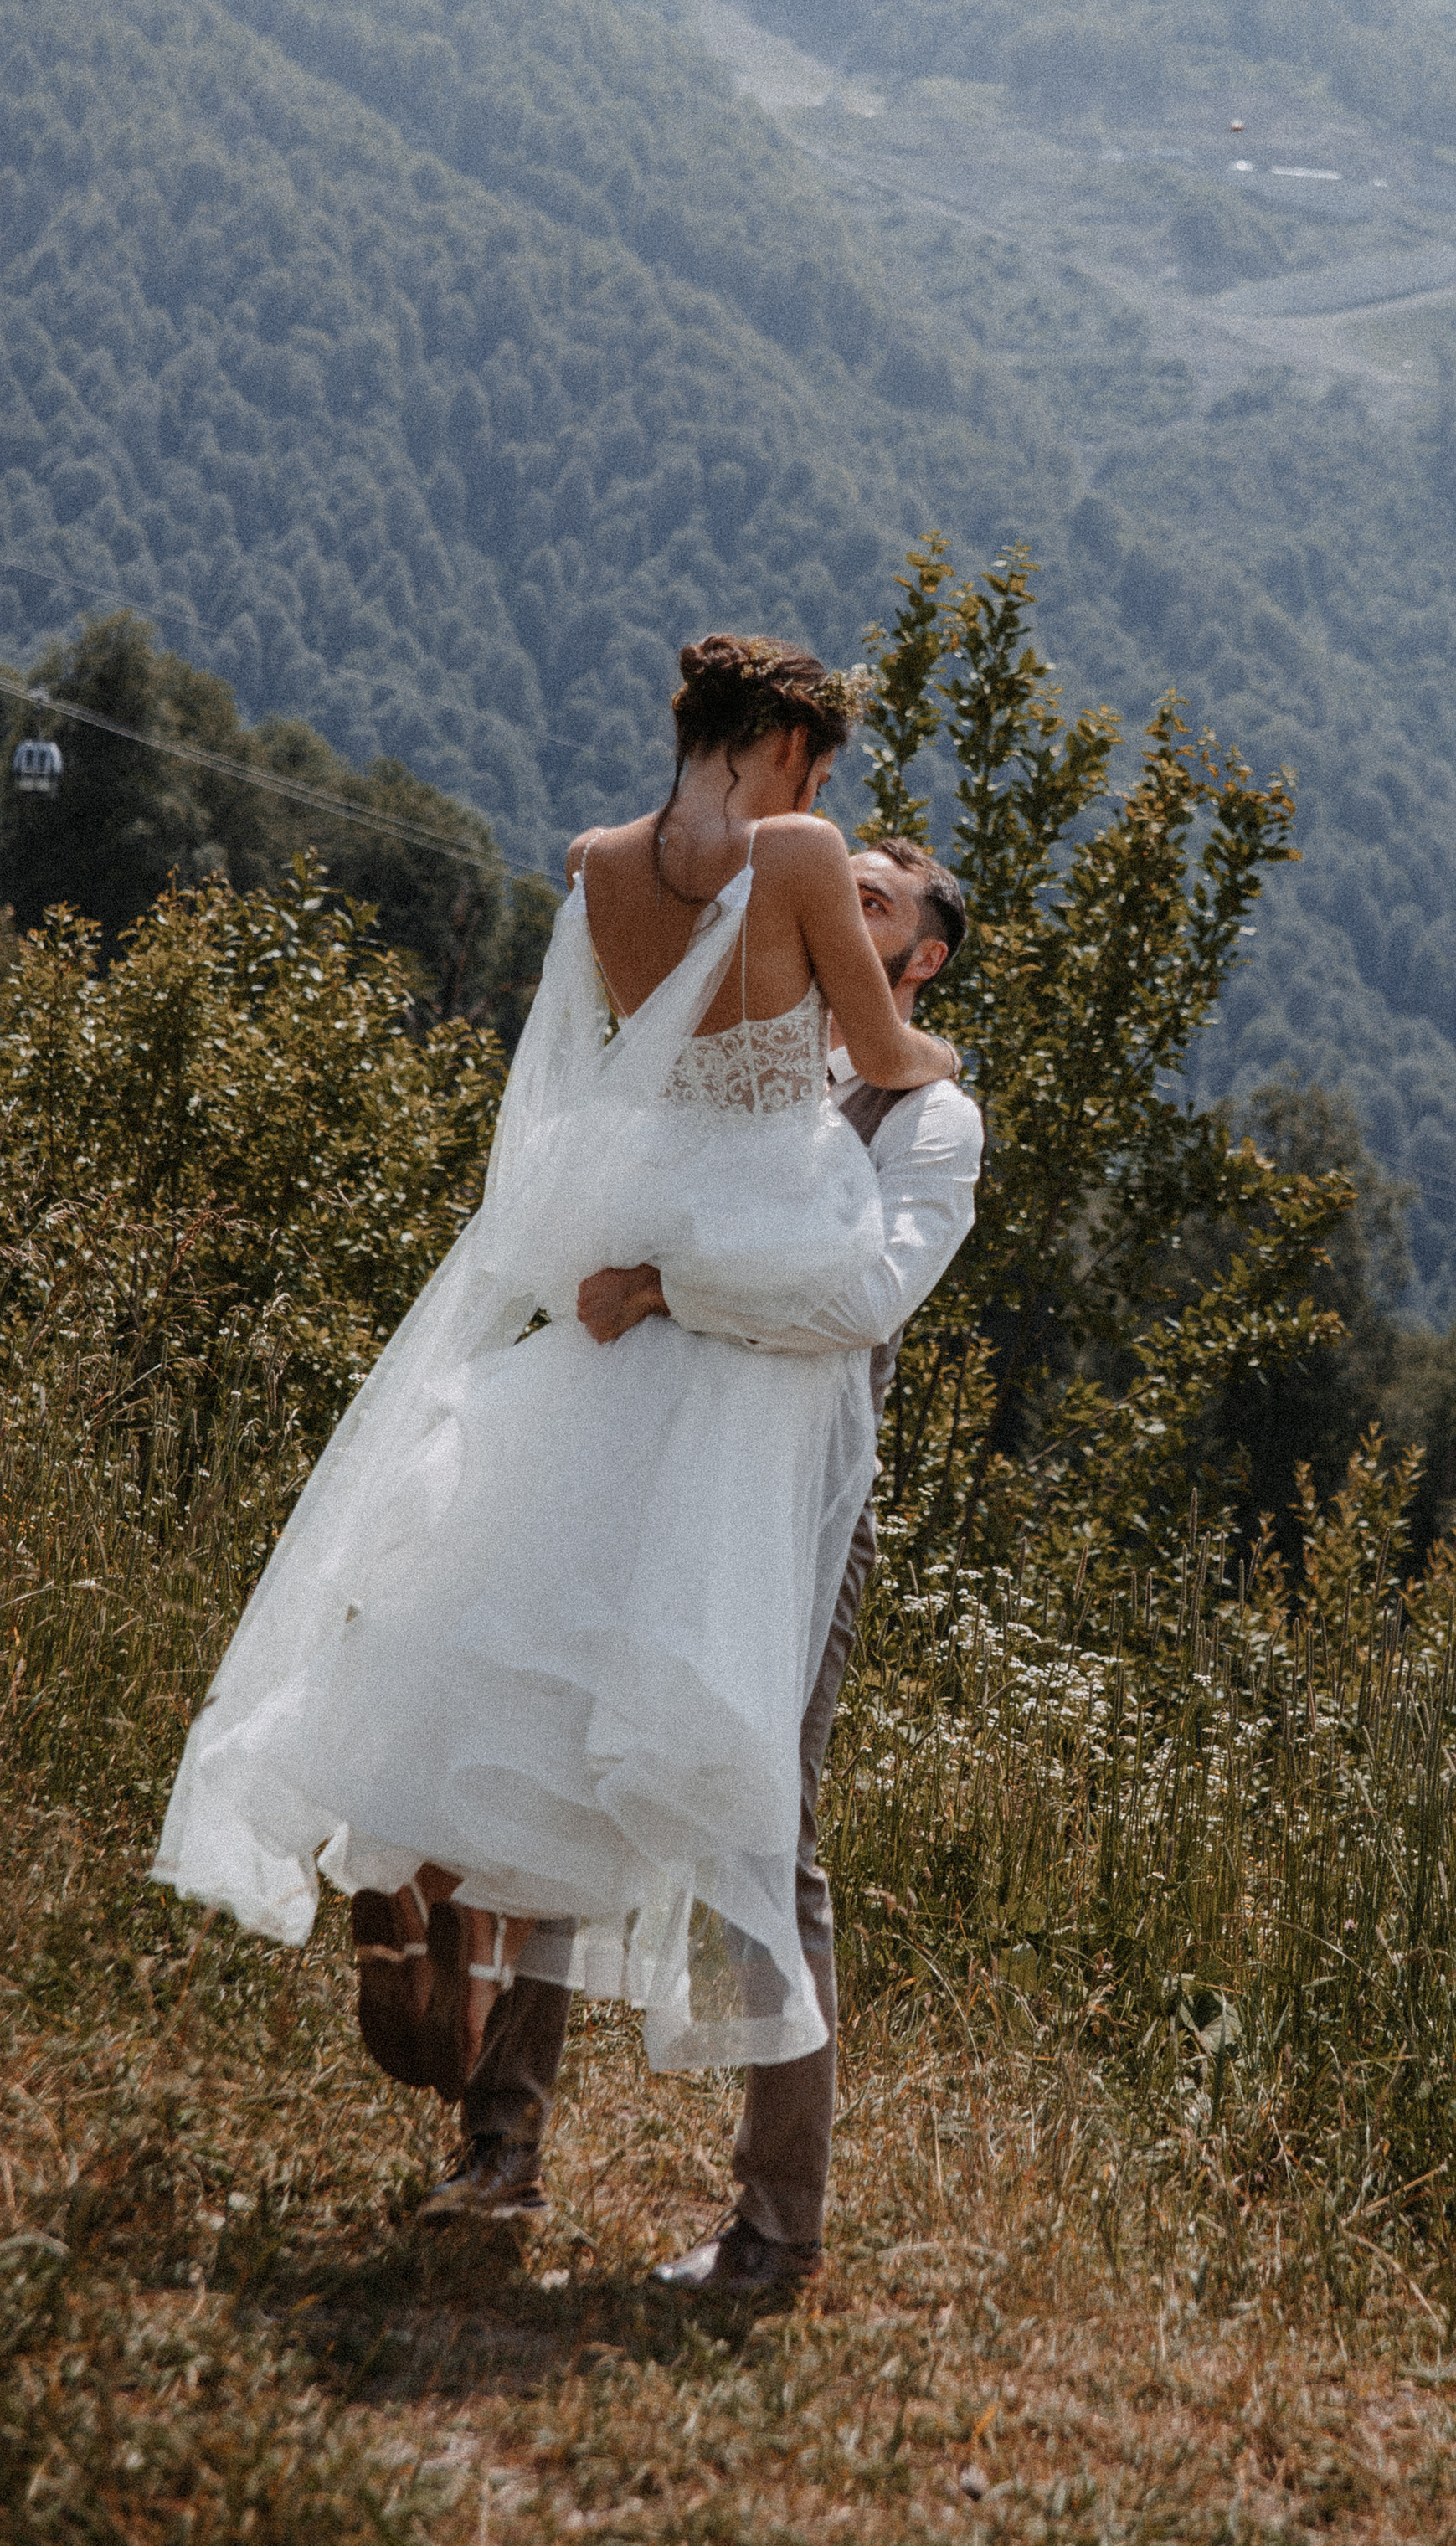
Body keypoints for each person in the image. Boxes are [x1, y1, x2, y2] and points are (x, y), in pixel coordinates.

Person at [152, 636, 970, 2227]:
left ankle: (491, 2014)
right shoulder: (801, 867)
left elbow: (561, 1112)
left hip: (624, 1307)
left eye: (887, 906)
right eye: (834, 795)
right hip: (736, 1415)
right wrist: (918, 1051)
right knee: (671, 1758)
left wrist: (628, 1268)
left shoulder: (600, 866)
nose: (842, 848)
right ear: (795, 744)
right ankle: (544, 2150)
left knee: (550, 1699)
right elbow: (881, 1066)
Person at [458, 836, 981, 2287]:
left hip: (798, 1512)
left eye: (870, 903)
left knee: (769, 1828)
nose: (831, 906)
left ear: (918, 961)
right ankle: (499, 2147)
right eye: (837, 881)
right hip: (652, 1461)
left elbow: (865, 1295)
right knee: (569, 1748)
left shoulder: (933, 1124)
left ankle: (776, 2224)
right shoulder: (759, 1075)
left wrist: (669, 1287)